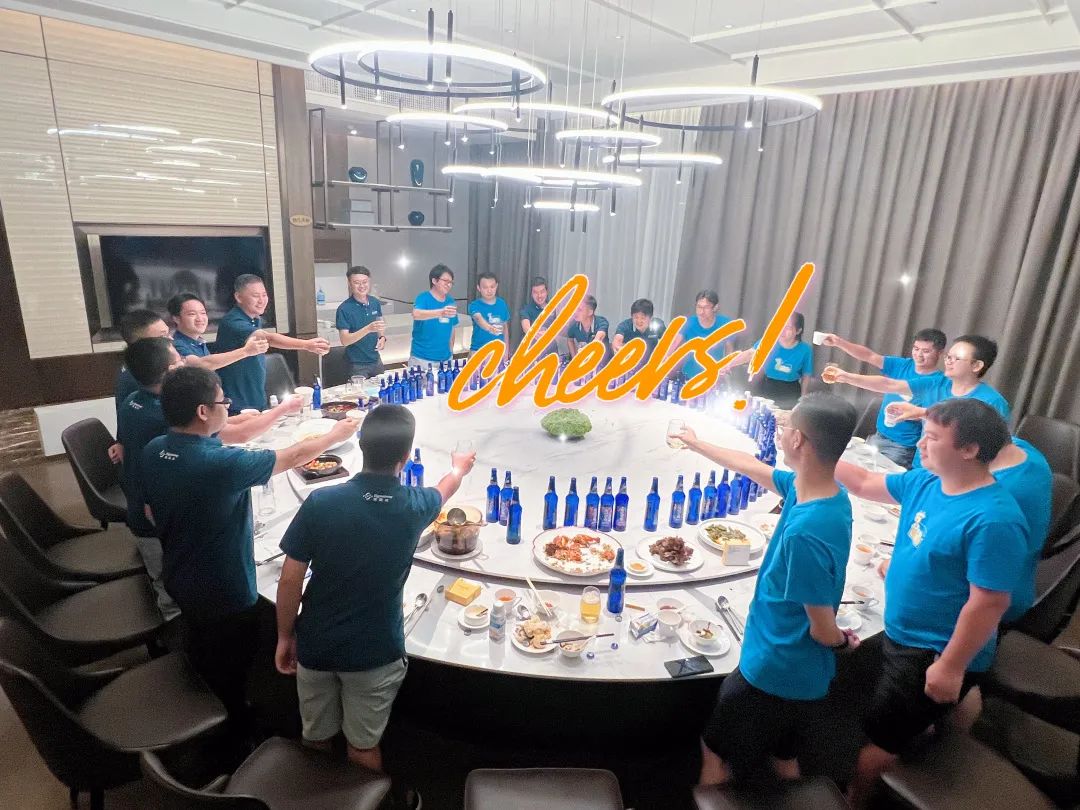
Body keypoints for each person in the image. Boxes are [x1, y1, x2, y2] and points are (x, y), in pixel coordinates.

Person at [832, 399, 1027, 808]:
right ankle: (928, 725)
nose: (921, 444)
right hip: (901, 630)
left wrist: (951, 666)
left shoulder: (995, 519)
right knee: (880, 708)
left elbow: (989, 603)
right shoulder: (927, 480)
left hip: (930, 649)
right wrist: (816, 456)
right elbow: (864, 482)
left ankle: (856, 798)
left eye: (933, 437)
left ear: (969, 449)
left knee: (878, 743)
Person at [140, 366, 355, 728]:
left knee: (203, 643)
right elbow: (292, 457)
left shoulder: (154, 449)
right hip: (224, 591)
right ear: (203, 412)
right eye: (222, 401)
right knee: (232, 667)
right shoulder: (218, 463)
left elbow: (150, 511)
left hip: (179, 572)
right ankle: (232, 727)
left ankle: (210, 695)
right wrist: (336, 433)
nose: (228, 406)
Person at [275, 405, 475, 781]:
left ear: (361, 446)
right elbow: (445, 489)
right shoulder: (414, 505)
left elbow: (289, 580)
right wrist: (459, 468)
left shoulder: (321, 503)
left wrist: (285, 635)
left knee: (315, 737)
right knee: (363, 746)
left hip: (316, 643)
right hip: (376, 651)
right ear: (405, 458)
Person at [676, 393, 860, 786]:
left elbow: (821, 629)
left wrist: (844, 643)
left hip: (774, 669)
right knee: (785, 754)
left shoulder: (805, 531)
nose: (780, 431)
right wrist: (696, 443)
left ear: (798, 440)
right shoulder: (826, 494)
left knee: (714, 750)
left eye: (786, 425)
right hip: (805, 677)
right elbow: (750, 466)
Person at [828, 335, 1009, 467]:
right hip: (920, 465)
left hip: (957, 474)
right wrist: (845, 377)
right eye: (948, 357)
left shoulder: (992, 402)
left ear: (977, 365)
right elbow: (890, 385)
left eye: (956, 358)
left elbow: (993, 451)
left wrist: (922, 413)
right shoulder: (937, 383)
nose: (949, 362)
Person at [116, 337, 185, 619]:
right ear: (169, 372)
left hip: (140, 505)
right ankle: (174, 633)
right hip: (153, 519)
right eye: (178, 361)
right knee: (169, 588)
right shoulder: (162, 416)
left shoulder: (133, 401)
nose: (184, 363)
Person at [819, 328, 946, 468]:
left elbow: (931, 416)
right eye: (916, 349)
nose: (919, 355)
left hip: (902, 447)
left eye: (926, 351)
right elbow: (869, 356)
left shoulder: (939, 382)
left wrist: (911, 414)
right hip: (878, 436)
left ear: (940, 353)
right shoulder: (903, 365)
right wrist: (839, 342)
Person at [214, 274, 330, 414]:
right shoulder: (233, 321)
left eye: (264, 295)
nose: (261, 300)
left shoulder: (255, 319)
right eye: (255, 296)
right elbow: (268, 338)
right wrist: (306, 345)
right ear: (238, 297)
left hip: (256, 396)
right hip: (237, 402)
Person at [167, 293, 269, 370]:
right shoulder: (176, 344)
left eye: (203, 313)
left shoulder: (199, 341)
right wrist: (246, 351)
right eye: (192, 314)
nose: (200, 318)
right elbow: (201, 365)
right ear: (176, 318)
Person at [668, 290, 735, 389]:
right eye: (699, 307)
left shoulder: (725, 323)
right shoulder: (689, 322)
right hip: (688, 376)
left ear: (715, 307)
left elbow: (729, 349)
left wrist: (728, 366)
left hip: (713, 378)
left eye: (706, 307)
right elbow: (673, 345)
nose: (701, 311)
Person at [753, 313, 815, 410]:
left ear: (798, 330)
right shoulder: (768, 341)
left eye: (788, 328)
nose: (782, 331)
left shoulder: (805, 349)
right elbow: (749, 355)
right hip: (766, 385)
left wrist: (803, 398)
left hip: (790, 390)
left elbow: (806, 375)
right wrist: (729, 364)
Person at [115, 309, 170, 414]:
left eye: (168, 333)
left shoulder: (135, 364)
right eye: (163, 337)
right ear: (140, 344)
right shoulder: (144, 374)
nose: (171, 339)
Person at [336, 266, 387, 378]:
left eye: (364, 282)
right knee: (359, 390)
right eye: (357, 283)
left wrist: (382, 337)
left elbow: (379, 321)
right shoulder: (344, 309)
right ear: (349, 284)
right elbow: (345, 340)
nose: (362, 286)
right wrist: (368, 329)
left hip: (376, 360)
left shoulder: (374, 302)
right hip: (356, 364)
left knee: (383, 388)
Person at [409, 264, 460, 369]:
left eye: (451, 282)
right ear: (434, 281)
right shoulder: (423, 298)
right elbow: (416, 314)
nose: (448, 285)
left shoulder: (450, 301)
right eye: (445, 281)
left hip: (445, 359)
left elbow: (452, 328)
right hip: (422, 359)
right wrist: (441, 312)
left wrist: (451, 351)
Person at [468, 272, 510, 354]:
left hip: (498, 352)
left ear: (496, 286)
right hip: (478, 351)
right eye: (485, 287)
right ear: (479, 288)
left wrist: (506, 351)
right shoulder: (474, 305)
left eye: (492, 287)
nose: (489, 290)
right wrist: (491, 329)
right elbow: (478, 319)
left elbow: (505, 329)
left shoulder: (502, 303)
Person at [519, 276, 560, 357]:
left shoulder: (554, 308)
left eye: (542, 292)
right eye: (535, 292)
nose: (539, 296)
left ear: (547, 292)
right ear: (531, 294)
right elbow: (526, 328)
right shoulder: (526, 309)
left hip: (551, 353)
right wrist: (535, 333)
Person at [566, 294, 609, 362]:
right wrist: (574, 358)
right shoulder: (573, 324)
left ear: (590, 312)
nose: (575, 312)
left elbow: (598, 338)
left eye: (579, 309)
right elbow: (570, 340)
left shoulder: (601, 322)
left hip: (602, 361)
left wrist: (587, 351)